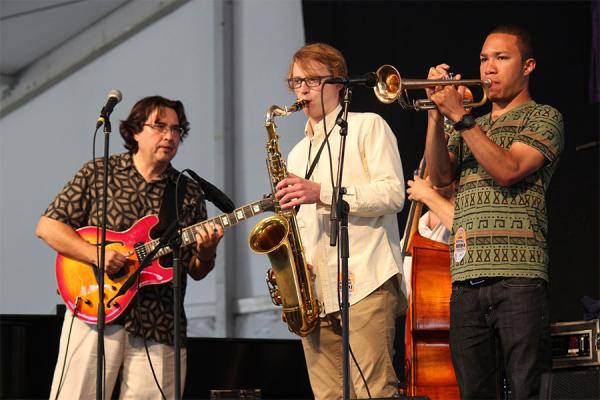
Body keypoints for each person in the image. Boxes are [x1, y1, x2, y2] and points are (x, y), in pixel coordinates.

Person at [35, 96, 224, 399]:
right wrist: (97, 256)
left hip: (160, 320)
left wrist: (206, 253)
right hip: (94, 308)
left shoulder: (187, 191)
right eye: (159, 126)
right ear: (135, 131)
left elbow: (196, 270)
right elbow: (48, 227)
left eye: (176, 130)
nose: (170, 136)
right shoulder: (98, 173)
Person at [424, 25, 564, 399]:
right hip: (466, 279)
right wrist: (437, 115)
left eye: (502, 58)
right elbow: (438, 179)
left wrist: (461, 118)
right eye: (485, 59)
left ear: (528, 65)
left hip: (518, 277)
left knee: (525, 391)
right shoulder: (472, 123)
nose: (489, 68)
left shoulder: (544, 117)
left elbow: (508, 170)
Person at [274, 43, 406, 399]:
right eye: (295, 81)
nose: (302, 89)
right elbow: (301, 223)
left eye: (313, 80)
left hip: (365, 282)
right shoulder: (298, 152)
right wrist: (292, 268)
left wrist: (324, 193)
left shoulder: (368, 126)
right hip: (315, 293)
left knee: (373, 393)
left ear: (339, 84)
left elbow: (393, 194)